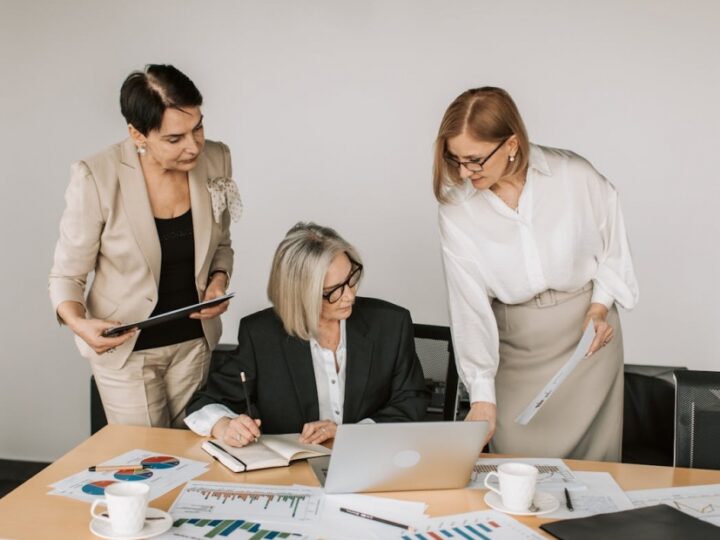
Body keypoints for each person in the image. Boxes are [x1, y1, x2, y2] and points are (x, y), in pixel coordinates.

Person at [433, 87, 639, 461]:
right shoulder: (457, 210)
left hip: (587, 340)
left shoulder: (574, 175)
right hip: (516, 348)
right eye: (455, 159)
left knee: (595, 473)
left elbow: (613, 249)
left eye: (475, 160)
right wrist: (481, 395)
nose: (464, 172)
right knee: (514, 469)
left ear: (511, 143)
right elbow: (468, 307)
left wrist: (599, 308)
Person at [49, 64, 242, 428]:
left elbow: (222, 244)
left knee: (197, 459)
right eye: (174, 138)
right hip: (127, 351)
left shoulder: (217, 158)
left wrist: (217, 281)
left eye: (197, 127)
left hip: (194, 345)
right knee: (147, 466)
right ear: (137, 134)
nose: (193, 145)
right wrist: (79, 323)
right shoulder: (97, 175)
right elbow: (66, 275)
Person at [185, 222, 429, 447]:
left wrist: (349, 433)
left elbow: (412, 402)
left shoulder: (390, 324)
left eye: (352, 278)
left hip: (367, 459)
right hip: (292, 473)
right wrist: (225, 425)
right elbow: (204, 403)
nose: (350, 296)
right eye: (334, 291)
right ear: (299, 294)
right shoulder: (261, 335)